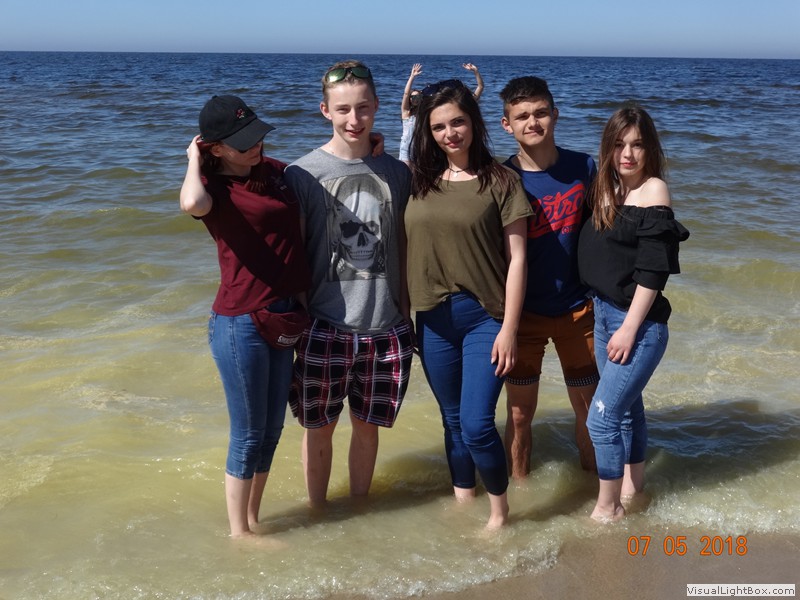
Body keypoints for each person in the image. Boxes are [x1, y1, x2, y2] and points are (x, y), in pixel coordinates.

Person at [285, 60, 415, 509]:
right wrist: (302, 322)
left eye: (362, 108)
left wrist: (406, 314)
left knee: (368, 429)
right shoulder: (301, 174)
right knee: (317, 431)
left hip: (386, 327)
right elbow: (296, 254)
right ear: (325, 110)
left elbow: (405, 244)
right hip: (326, 326)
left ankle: (360, 510)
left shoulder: (397, 173)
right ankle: (317, 513)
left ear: (376, 106)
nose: (354, 119)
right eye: (342, 110)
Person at [179, 95, 311, 537]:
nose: (255, 146)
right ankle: (238, 534)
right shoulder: (212, 189)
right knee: (248, 433)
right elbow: (190, 203)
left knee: (272, 430)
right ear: (216, 148)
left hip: (284, 315)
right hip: (241, 323)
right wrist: (193, 158)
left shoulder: (271, 173)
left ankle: (253, 520)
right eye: (243, 142)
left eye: (257, 136)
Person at [405, 79, 532, 530]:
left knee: (477, 424)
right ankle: (463, 502)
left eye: (457, 122)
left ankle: (499, 514)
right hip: (431, 320)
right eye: (439, 127)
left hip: (484, 319)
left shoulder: (502, 181)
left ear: (474, 122)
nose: (450, 133)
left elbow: (518, 260)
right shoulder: (416, 180)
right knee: (452, 420)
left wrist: (509, 329)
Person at [577, 106, 689, 522]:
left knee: (601, 419)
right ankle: (633, 489)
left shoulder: (653, 191)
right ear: (608, 148)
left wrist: (628, 327)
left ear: (650, 149)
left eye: (638, 145)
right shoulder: (605, 190)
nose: (628, 154)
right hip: (604, 314)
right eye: (619, 144)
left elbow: (653, 271)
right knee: (627, 412)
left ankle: (608, 509)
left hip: (638, 326)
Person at [498, 76, 600, 478]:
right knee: (519, 414)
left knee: (589, 408)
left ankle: (596, 488)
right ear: (507, 125)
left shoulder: (583, 167)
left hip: (579, 310)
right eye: (522, 116)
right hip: (523, 316)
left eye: (541, 113)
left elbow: (605, 229)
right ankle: (520, 493)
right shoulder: (500, 178)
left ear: (555, 115)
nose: (533, 122)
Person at [399, 63, 484, 165]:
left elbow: (480, 87)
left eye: (418, 97)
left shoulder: (427, 114)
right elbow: (406, 93)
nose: (415, 100)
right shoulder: (407, 114)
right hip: (406, 149)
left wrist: (476, 72)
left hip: (422, 149)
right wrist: (412, 77)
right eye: (413, 97)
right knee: (405, 172)